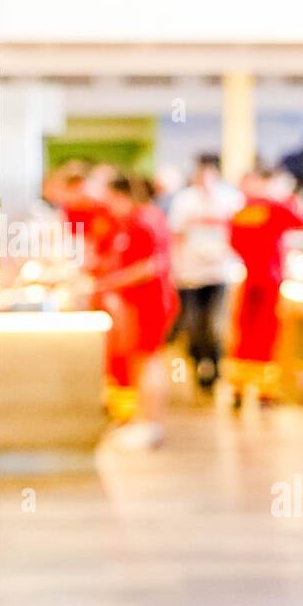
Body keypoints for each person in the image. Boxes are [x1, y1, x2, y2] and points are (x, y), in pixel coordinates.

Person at [94, 174, 179, 448]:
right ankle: (142, 422)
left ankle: (151, 425)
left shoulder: (143, 221)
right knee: (139, 362)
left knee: (148, 361)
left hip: (150, 302)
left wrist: (107, 283)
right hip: (140, 303)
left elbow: (150, 266)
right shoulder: (137, 219)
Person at [227, 169, 303, 408]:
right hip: (270, 279)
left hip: (250, 277)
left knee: (244, 332)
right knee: (266, 334)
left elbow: (234, 242)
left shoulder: (241, 212)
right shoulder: (273, 207)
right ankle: (265, 390)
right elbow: (301, 221)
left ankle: (239, 386)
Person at [166, 153, 243, 395]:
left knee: (215, 323)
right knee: (193, 323)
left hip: (219, 272)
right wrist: (175, 267)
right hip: (189, 273)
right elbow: (176, 235)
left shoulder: (231, 199)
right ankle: (199, 365)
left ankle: (215, 368)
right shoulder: (184, 201)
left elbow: (240, 234)